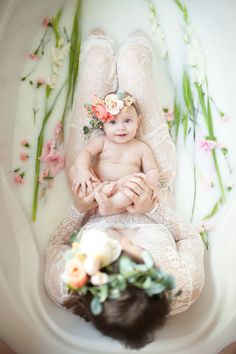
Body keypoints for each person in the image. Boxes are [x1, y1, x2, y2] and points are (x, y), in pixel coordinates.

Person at [44, 29, 205, 349]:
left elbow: (55, 245)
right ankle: (135, 51)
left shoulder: (65, 285)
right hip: (150, 189)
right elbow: (190, 237)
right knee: (133, 65)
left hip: (95, 185)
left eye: (110, 249)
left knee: (95, 72)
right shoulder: (184, 285)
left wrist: (79, 205)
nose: (121, 237)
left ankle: (98, 52)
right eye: (131, 249)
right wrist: (153, 209)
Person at [71, 90, 160, 216]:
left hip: (123, 190)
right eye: (113, 122)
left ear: (138, 122)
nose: (121, 128)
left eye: (127, 121)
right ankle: (98, 199)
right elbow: (86, 152)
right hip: (99, 185)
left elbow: (151, 170)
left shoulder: (141, 147)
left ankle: (111, 205)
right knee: (74, 169)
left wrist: (151, 187)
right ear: (103, 125)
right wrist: (83, 171)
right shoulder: (102, 141)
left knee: (136, 182)